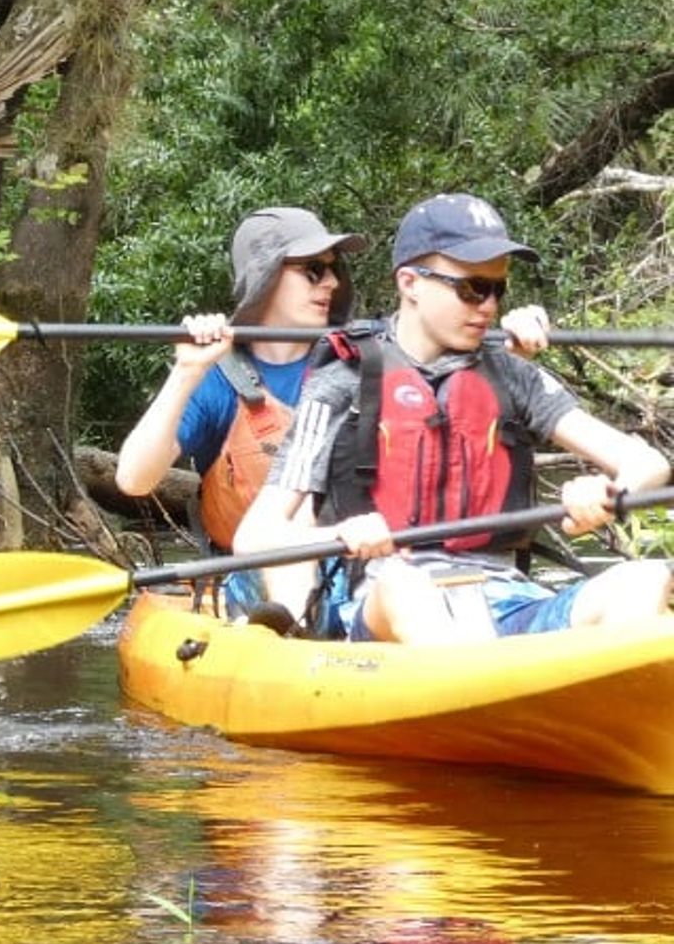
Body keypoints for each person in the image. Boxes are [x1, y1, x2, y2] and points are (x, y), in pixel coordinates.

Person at [233, 192, 673, 644]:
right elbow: (256, 535)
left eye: (497, 289)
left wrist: (610, 492)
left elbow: (649, 463)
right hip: (387, 596)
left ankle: (585, 706)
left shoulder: (513, 375)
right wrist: (344, 532)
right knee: (407, 588)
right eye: (471, 288)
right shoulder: (343, 380)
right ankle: (481, 698)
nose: (488, 307)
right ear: (410, 283)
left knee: (643, 580)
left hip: (506, 600)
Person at [115, 206, 366, 561]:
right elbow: (134, 479)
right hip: (252, 576)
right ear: (265, 277)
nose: (332, 282)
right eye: (314, 270)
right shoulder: (218, 378)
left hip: (356, 566)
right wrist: (187, 371)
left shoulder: (353, 364)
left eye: (334, 268)